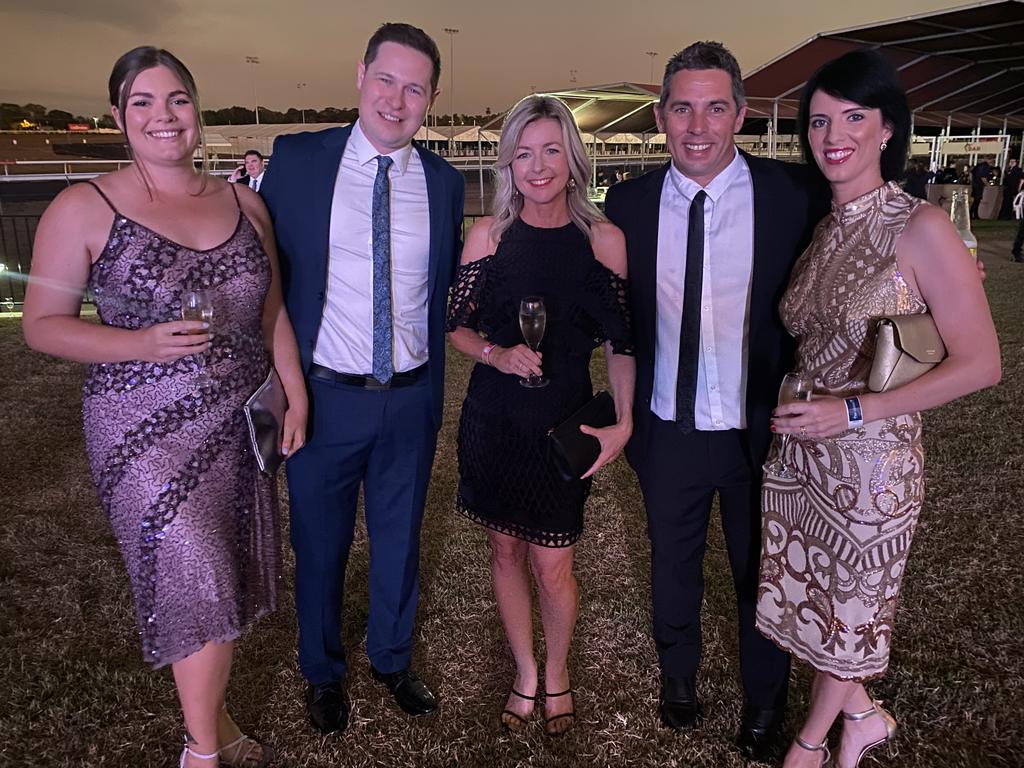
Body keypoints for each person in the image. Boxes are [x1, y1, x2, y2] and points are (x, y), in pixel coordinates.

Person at [21, 46, 307, 768]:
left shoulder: (245, 202)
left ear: (196, 109)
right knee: (197, 570)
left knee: (227, 575)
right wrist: (140, 343)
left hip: (240, 421)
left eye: (176, 99)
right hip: (142, 427)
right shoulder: (85, 205)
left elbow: (268, 303)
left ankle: (218, 725)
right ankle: (202, 754)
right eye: (143, 102)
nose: (163, 115)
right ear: (118, 115)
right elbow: (42, 324)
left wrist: (294, 389)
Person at [755, 50, 1000, 768]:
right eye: (821, 120)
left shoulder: (919, 225)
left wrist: (856, 412)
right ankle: (860, 715)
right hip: (804, 456)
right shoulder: (825, 227)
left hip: (871, 464)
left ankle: (809, 747)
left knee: (847, 617)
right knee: (820, 610)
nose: (834, 134)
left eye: (854, 117)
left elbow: (982, 363)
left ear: (887, 128)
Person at [604, 41, 827, 761]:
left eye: (715, 106)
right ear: (662, 115)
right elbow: (614, 313)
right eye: (681, 107)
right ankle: (679, 678)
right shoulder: (629, 203)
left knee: (760, 569)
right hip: (668, 427)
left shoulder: (794, 195)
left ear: (740, 113)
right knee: (672, 559)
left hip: (762, 429)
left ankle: (766, 701)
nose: (697, 125)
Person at [259, 23, 464, 734]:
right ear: (360, 75)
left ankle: (392, 657)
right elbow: (265, 280)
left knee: (400, 537)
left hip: (409, 399)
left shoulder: (443, 183)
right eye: (387, 79)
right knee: (318, 542)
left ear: (431, 99)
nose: (396, 99)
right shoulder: (296, 162)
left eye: (415, 88)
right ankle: (321, 670)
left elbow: (442, 292)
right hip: (322, 397)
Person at [446, 95, 635, 736]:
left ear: (574, 160)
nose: (537, 165)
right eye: (523, 153)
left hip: (561, 426)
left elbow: (622, 343)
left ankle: (557, 673)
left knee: (553, 562)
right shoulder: (488, 238)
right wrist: (497, 355)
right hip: (494, 420)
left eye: (552, 149)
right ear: (508, 165)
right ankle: (525, 673)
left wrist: (625, 421)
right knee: (503, 550)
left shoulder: (603, 241)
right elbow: (459, 330)